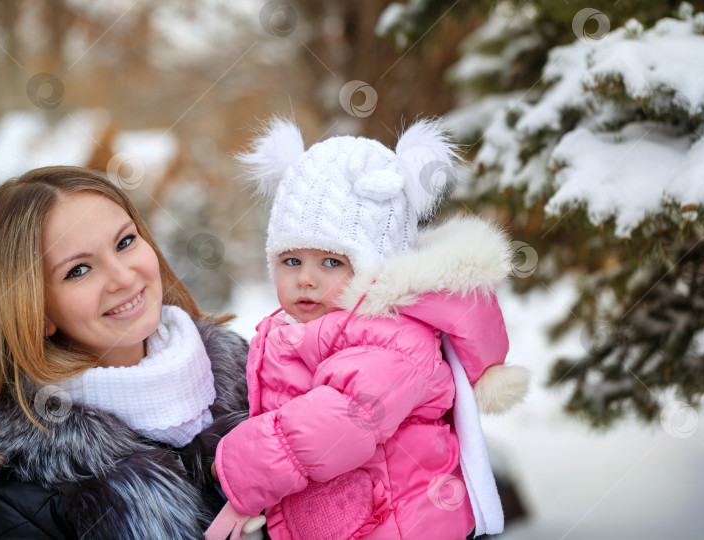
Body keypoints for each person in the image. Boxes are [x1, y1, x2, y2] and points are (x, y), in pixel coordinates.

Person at [206, 119, 530, 540]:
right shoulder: (311, 328)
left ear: (374, 267)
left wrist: (243, 467)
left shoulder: (395, 337)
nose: (306, 278)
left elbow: (343, 417)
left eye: (331, 262)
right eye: (291, 261)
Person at [0, 166, 250, 539]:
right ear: (35, 312)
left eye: (125, 242)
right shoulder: (10, 497)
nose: (123, 277)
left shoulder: (256, 376)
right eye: (79, 270)